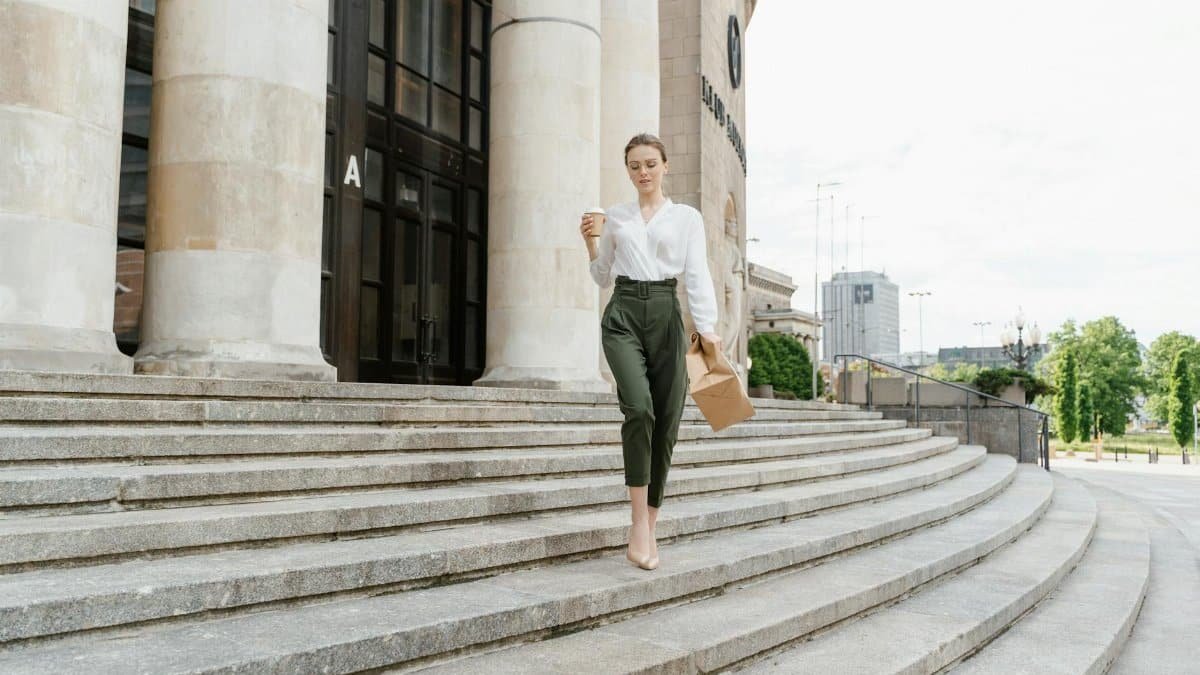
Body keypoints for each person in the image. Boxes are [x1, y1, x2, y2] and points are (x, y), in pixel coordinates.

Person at [580, 133, 720, 571]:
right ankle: (638, 521)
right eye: (635, 165)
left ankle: (650, 523)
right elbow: (602, 277)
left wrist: (709, 331)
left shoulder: (686, 218)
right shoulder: (616, 217)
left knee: (667, 421)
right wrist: (591, 242)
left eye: (650, 164)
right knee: (639, 410)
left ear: (665, 166)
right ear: (628, 170)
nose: (643, 172)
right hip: (622, 313)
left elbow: (696, 275)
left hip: (666, 313)